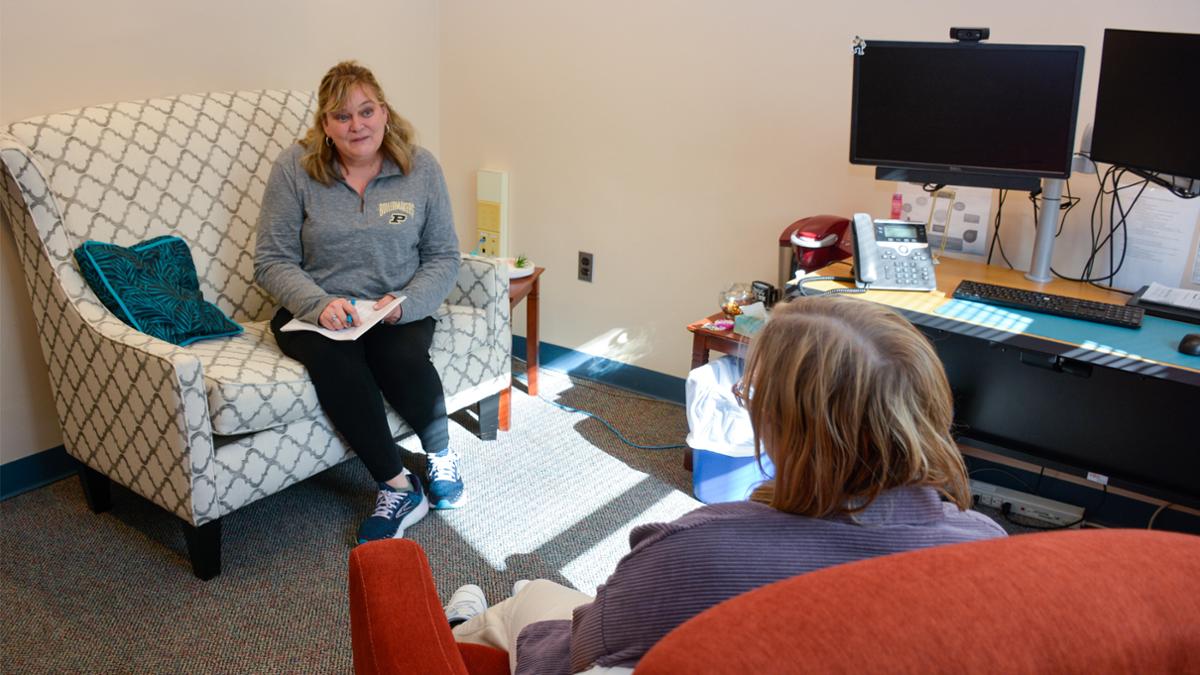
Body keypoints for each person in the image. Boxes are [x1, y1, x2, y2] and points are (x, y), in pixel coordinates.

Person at [447, 295, 1007, 674]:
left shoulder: (696, 549)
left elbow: (589, 649)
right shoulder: (986, 546)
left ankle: (450, 632)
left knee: (524, 602)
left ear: (784, 424)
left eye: (752, 395)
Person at [254, 61, 463, 544]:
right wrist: (318, 303)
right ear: (325, 126)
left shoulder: (420, 167)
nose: (357, 125)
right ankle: (396, 486)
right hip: (318, 311)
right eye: (342, 117)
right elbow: (271, 261)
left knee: (399, 354)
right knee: (337, 361)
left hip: (395, 306)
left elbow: (443, 256)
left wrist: (402, 305)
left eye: (366, 111)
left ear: (384, 112)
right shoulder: (295, 169)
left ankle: (441, 455)